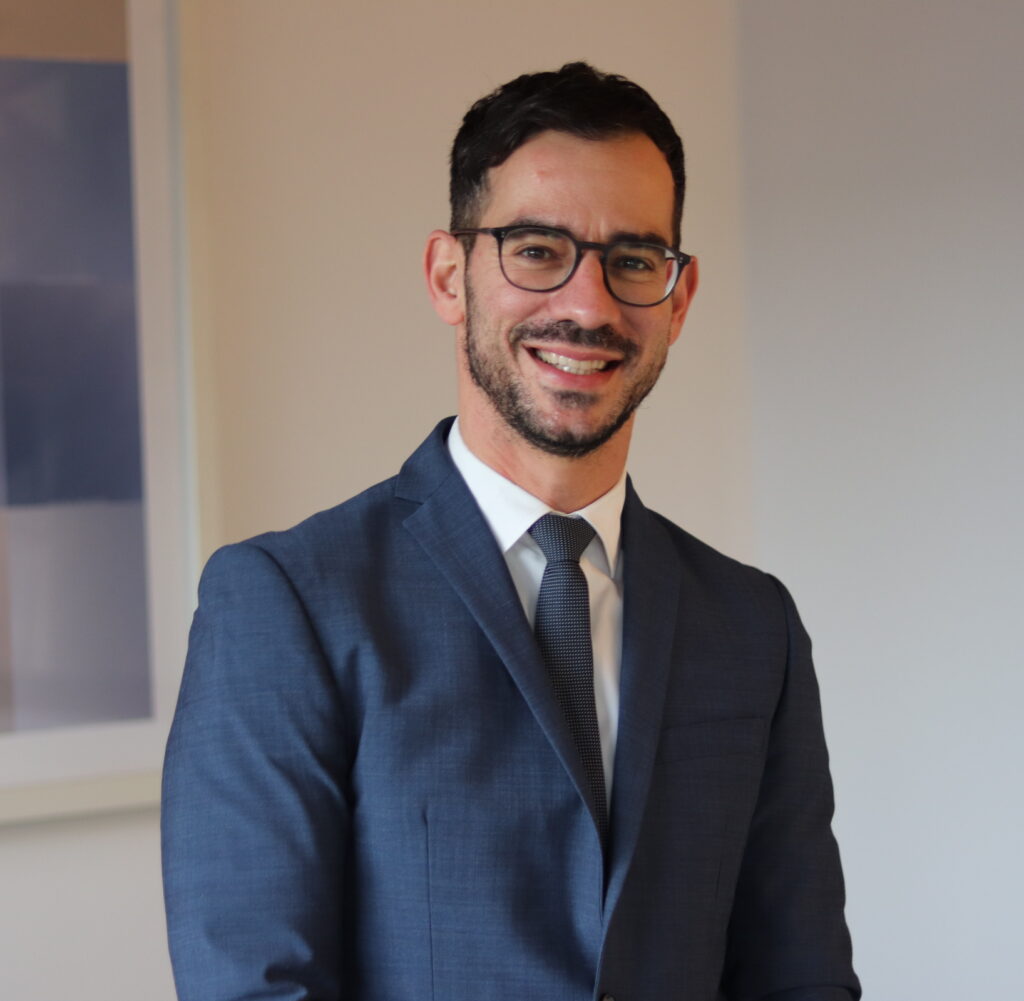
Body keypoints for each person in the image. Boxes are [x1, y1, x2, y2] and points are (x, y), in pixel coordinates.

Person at [162, 62, 860, 1001]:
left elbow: (802, 981)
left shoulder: (752, 625)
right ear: (449, 276)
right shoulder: (289, 604)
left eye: (633, 260)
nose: (588, 305)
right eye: (537, 250)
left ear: (679, 297)